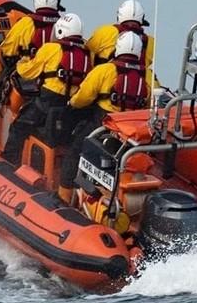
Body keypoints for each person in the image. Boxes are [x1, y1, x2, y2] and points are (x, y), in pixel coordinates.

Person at [56, 31, 155, 204]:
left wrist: (71, 105)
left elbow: (83, 97)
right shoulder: (148, 77)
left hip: (103, 125)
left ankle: (63, 198)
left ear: (118, 49)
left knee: (74, 153)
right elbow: (151, 106)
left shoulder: (104, 70)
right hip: (131, 132)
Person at [0, 0, 64, 147]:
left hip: (27, 77)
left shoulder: (27, 24)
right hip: (54, 84)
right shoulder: (64, 26)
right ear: (57, 3)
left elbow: (7, 50)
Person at [1, 13, 92, 165]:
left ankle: (9, 161)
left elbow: (29, 71)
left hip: (47, 101)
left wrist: (19, 64)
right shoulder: (87, 54)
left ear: (61, 31)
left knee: (19, 126)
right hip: (69, 107)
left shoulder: (51, 48)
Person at [85, 0, 155, 67]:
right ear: (142, 18)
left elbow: (87, 50)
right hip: (138, 77)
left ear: (119, 15)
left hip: (104, 76)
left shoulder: (105, 31)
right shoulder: (150, 42)